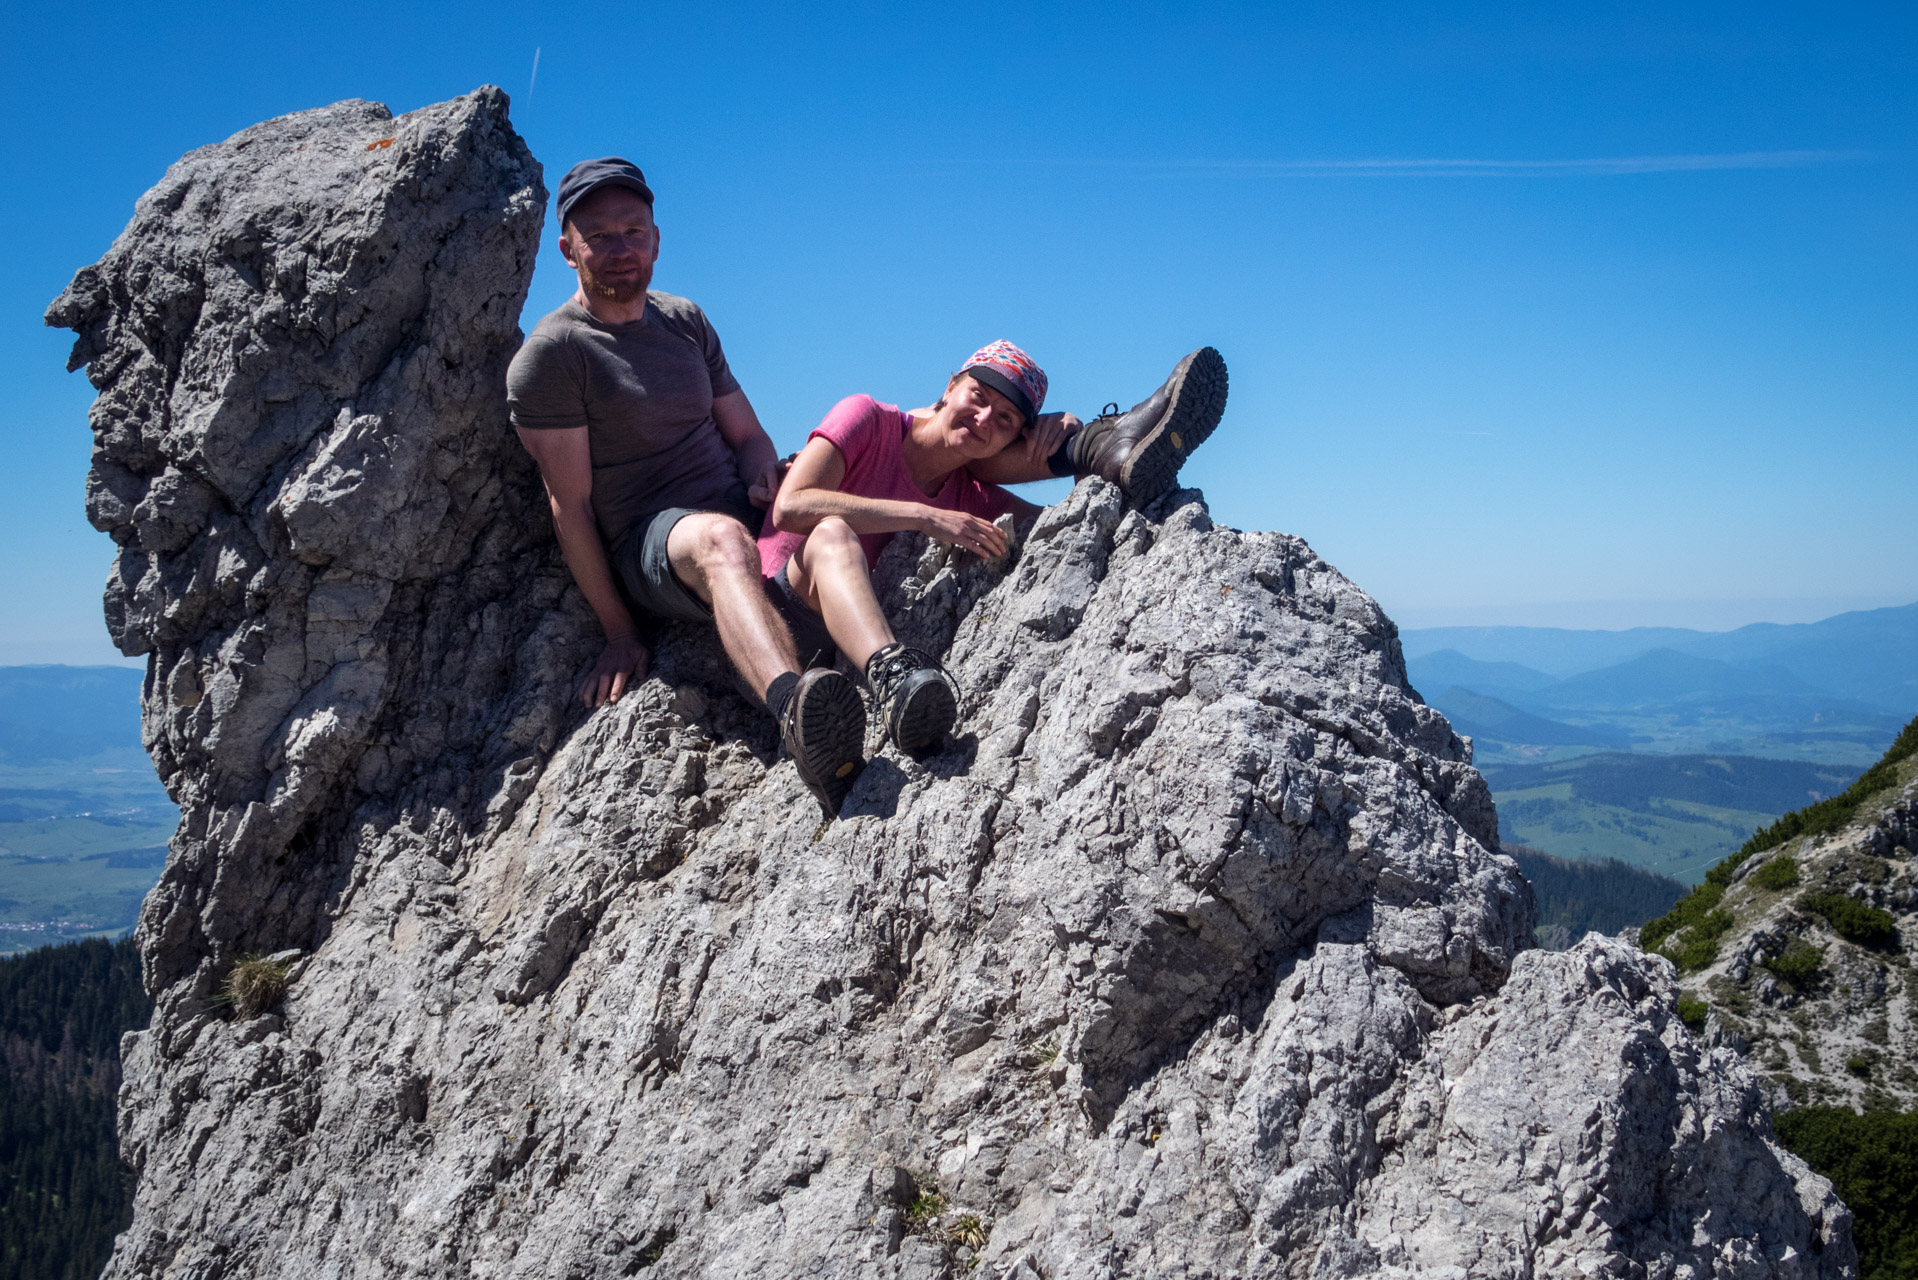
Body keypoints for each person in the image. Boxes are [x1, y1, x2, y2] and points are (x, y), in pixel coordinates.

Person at [506, 158, 865, 816]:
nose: (621, 251)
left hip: (734, 511)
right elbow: (572, 508)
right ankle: (796, 711)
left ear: (657, 239)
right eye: (601, 236)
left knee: (837, 515)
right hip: (652, 539)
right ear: (568, 250)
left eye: (633, 232)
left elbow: (748, 433)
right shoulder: (555, 354)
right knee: (722, 539)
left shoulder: (685, 320)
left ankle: (889, 678)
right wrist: (619, 632)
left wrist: (763, 472)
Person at [762, 341, 1228, 754]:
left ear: (1014, 438)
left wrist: (1070, 443)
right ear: (949, 387)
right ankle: (893, 678)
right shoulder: (867, 417)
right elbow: (792, 506)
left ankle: (1104, 445)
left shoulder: (972, 496)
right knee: (832, 533)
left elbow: (1072, 528)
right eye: (978, 397)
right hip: (776, 630)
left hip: (834, 680)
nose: (983, 419)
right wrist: (923, 514)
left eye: (1005, 419)